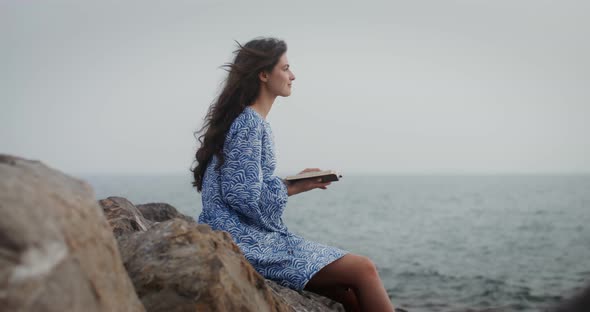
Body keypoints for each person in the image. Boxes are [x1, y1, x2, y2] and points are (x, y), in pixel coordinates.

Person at [191, 37, 396, 312]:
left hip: (245, 236)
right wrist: (289, 185)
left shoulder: (246, 121)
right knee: (364, 269)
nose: (293, 75)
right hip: (245, 242)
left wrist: (298, 183)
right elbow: (242, 196)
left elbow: (245, 188)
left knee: (346, 293)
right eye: (286, 68)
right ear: (264, 75)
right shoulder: (250, 124)